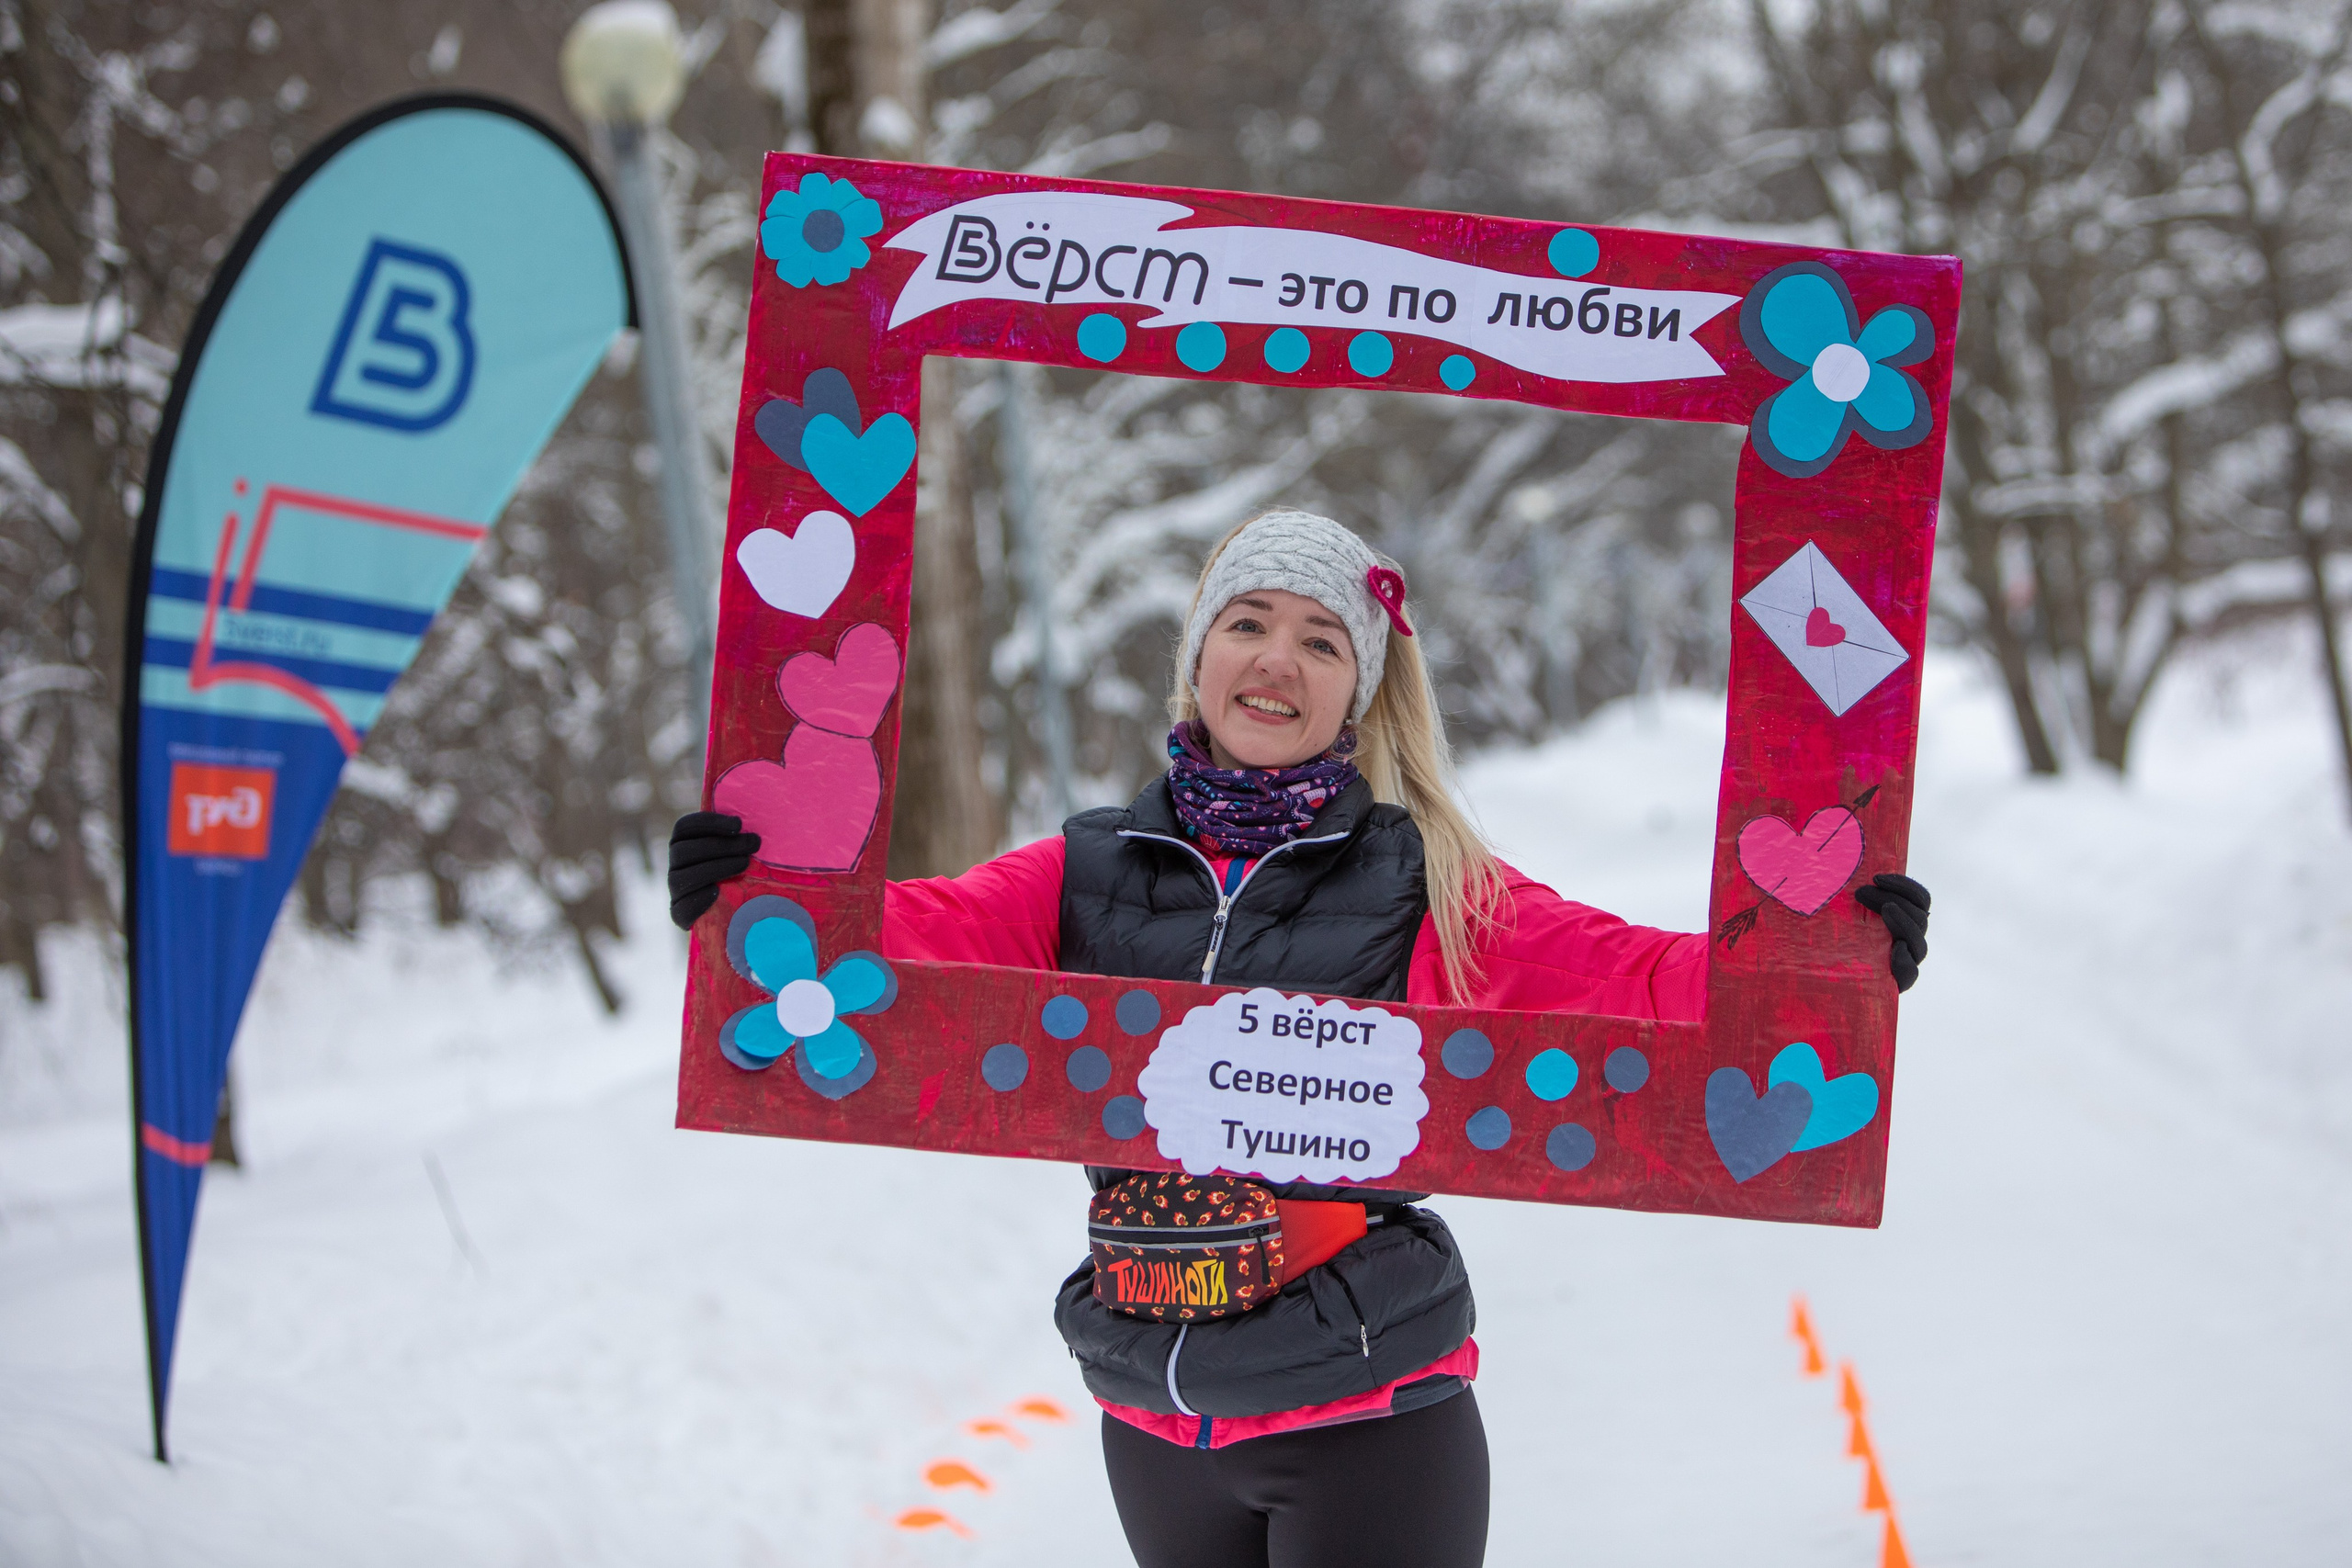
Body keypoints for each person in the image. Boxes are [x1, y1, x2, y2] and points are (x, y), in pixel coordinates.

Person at [667, 508, 1932, 1568]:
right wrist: (757, 899)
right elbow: (894, 949)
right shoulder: (1089, 870)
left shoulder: (1432, 883)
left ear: (1361, 689)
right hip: (1155, 1419)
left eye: (1322, 640)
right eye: (1249, 622)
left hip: (1368, 1421)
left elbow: (1662, 985)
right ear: (1200, 653)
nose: (1278, 660)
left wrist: (1823, 953)